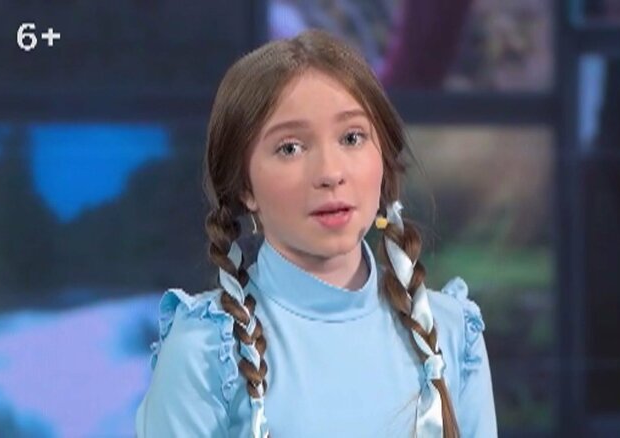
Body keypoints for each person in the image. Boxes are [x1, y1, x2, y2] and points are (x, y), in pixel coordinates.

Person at [135, 29, 497, 437]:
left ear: (383, 158)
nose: (330, 173)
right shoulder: (204, 349)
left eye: (352, 138)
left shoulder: (451, 332)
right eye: (290, 148)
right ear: (244, 188)